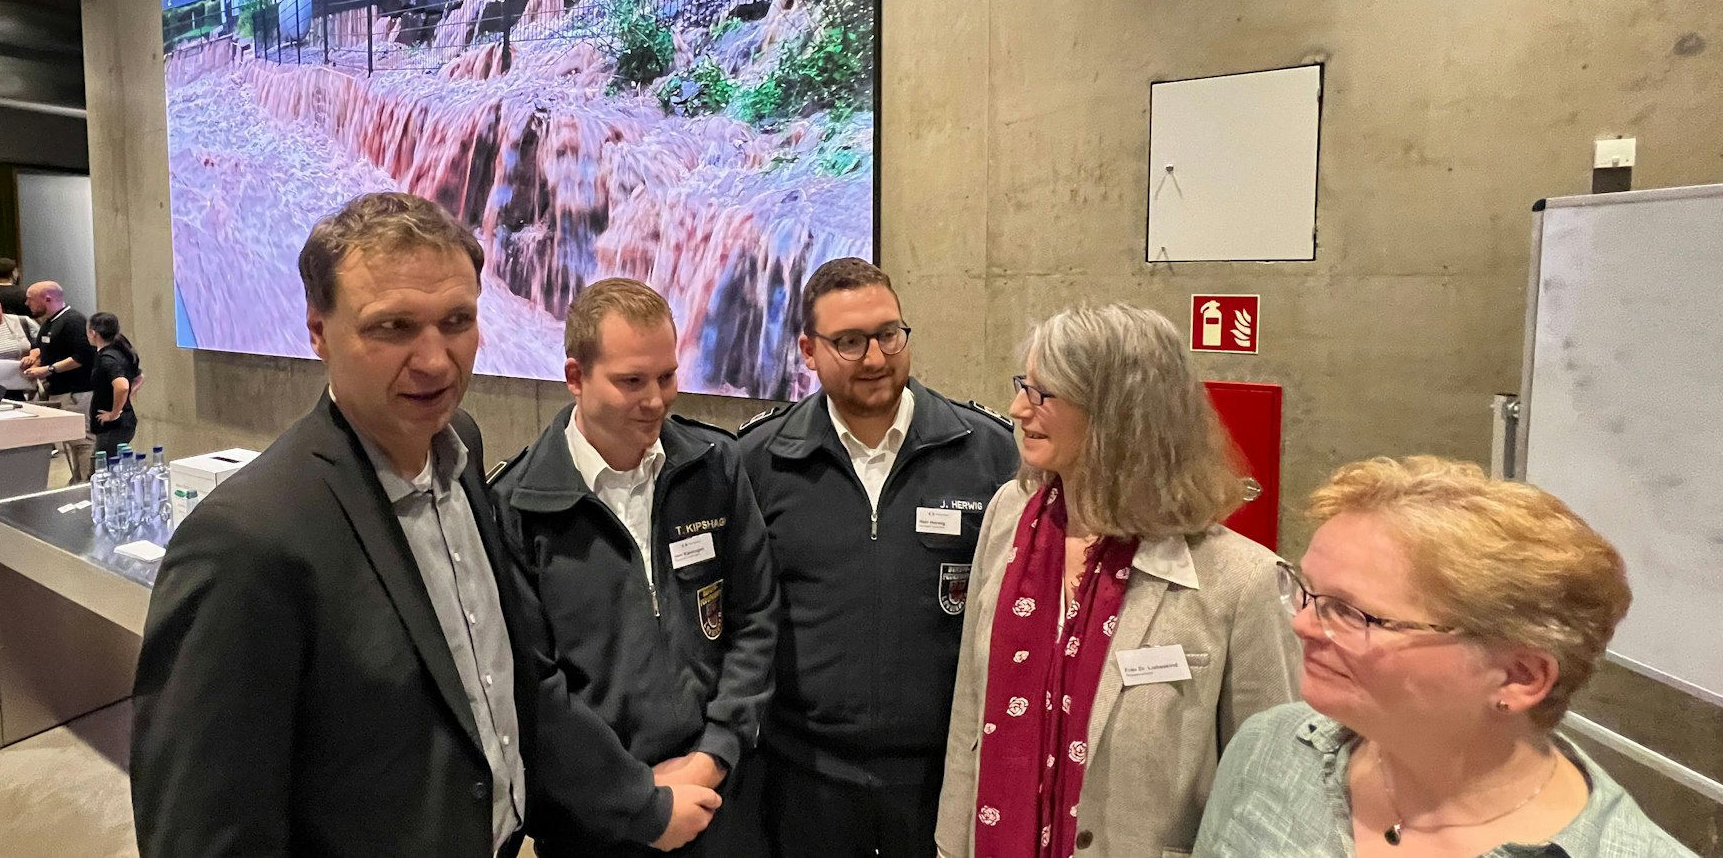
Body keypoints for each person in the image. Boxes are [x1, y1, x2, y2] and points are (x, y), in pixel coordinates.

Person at [130, 192, 717, 858]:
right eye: (393, 326)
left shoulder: (460, 448)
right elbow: (203, 831)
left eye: (457, 320)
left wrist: (634, 800)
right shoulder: (246, 540)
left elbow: (506, 680)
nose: (436, 360)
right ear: (318, 331)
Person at [1193, 457, 1696, 858]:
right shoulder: (1271, 749)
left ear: (1519, 677)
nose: (1302, 624)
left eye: (1351, 613)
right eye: (1306, 590)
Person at [936, 304, 1300, 858]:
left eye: (1042, 394)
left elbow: (1272, 788)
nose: (1016, 409)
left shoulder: (1241, 581)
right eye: (1022, 386)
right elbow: (971, 704)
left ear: (1117, 414)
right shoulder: (1010, 513)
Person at [736, 258, 1018, 858]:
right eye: (850, 342)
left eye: (889, 334)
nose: (875, 357)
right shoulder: (759, 462)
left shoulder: (988, 454)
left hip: (943, 779)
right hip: (803, 779)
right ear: (808, 351)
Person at [489, 278, 780, 858]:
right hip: (593, 824)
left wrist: (712, 757)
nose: (656, 400)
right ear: (575, 377)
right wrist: (638, 800)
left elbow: (756, 619)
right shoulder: (516, 506)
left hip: (716, 800)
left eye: (666, 377)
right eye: (631, 382)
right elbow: (535, 688)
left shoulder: (715, 466)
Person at [25, 281, 97, 478]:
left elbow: (83, 356)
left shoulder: (73, 321)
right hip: (60, 391)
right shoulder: (49, 323)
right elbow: (44, 348)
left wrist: (49, 369)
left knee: (83, 440)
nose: (26, 303)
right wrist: (33, 359)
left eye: (30, 299)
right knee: (72, 441)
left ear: (47, 298)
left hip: (77, 392)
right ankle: (78, 479)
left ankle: (88, 484)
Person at [84, 312, 141, 458]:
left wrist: (114, 413)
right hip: (122, 423)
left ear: (93, 333)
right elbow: (139, 378)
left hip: (113, 427)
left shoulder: (107, 359)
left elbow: (122, 386)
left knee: (105, 469)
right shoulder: (120, 352)